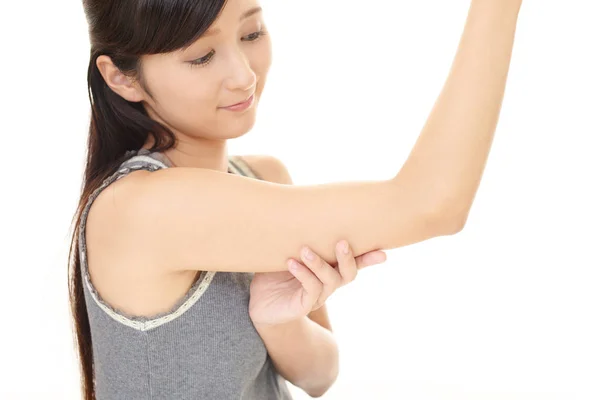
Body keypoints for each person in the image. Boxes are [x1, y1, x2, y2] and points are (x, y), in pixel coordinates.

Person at [68, 0, 523, 398]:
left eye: (252, 33)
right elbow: (432, 205)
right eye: (202, 56)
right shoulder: (142, 206)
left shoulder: (262, 176)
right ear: (121, 78)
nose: (244, 75)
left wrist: (278, 320)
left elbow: (319, 377)